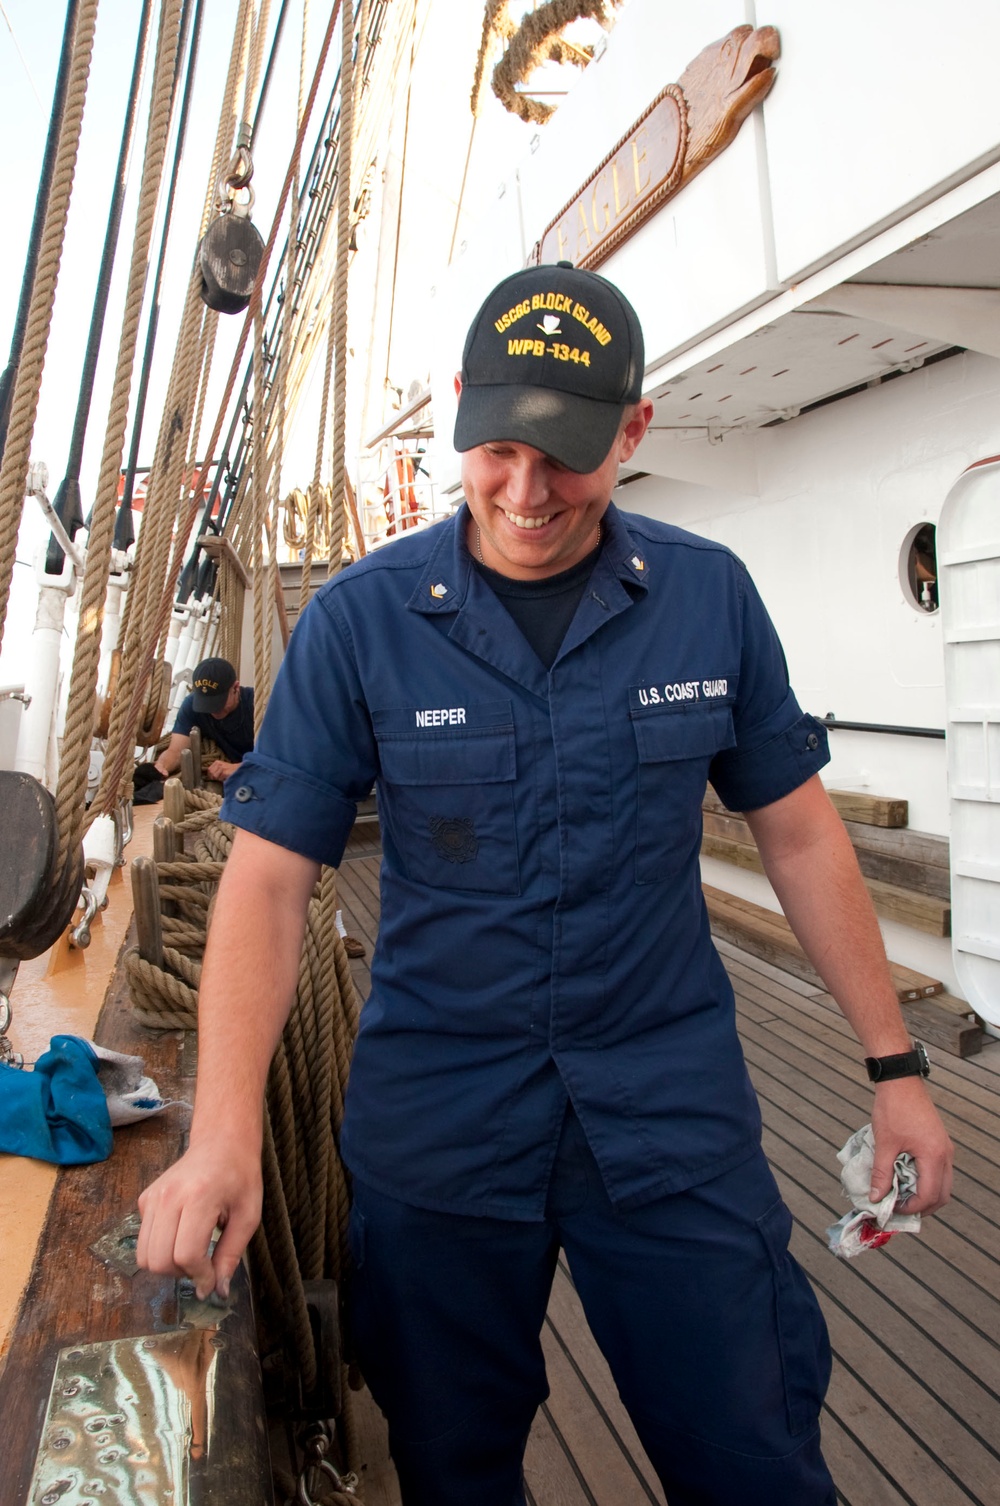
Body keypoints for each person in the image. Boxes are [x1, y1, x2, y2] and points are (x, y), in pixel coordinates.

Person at [136, 263, 953, 1506]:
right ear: (462, 411)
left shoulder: (709, 597)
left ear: (634, 429)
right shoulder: (359, 622)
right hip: (441, 1127)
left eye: (564, 456)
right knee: (451, 1469)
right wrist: (224, 1137)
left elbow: (796, 835)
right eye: (498, 449)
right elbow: (267, 882)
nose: (525, 493)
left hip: (668, 1113)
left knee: (755, 1461)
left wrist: (895, 1069)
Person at [154, 656, 255, 784]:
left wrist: (237, 768)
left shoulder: (258, 705)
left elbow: (275, 758)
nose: (212, 710)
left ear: (236, 688)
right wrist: (162, 766)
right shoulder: (191, 705)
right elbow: (176, 751)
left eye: (218, 702)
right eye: (206, 703)